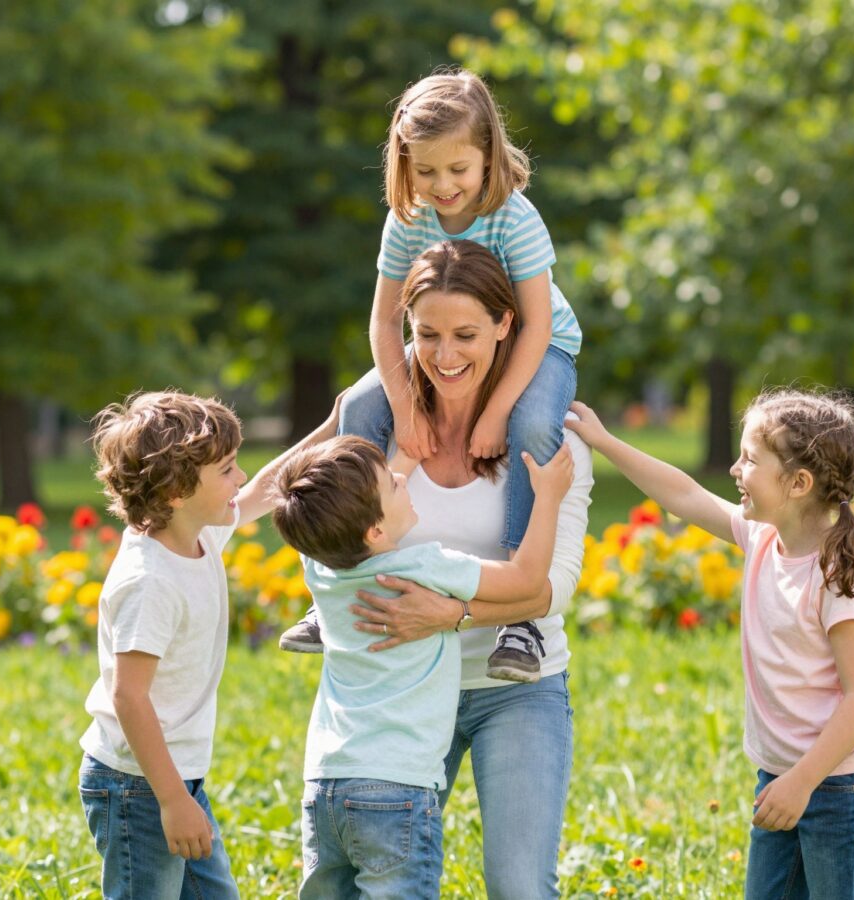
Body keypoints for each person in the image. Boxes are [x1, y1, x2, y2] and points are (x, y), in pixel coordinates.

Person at [281, 68, 581, 683]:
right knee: (358, 411)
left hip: (532, 344)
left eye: (458, 169)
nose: (443, 186)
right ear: (404, 164)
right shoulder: (406, 220)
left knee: (532, 428)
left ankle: (517, 621)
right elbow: (385, 325)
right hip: (439, 340)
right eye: (427, 171)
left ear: (488, 157)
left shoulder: (515, 218)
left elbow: (537, 327)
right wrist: (405, 405)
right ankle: (339, 581)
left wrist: (497, 410)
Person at [326, 240, 591, 899]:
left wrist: (456, 613)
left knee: (520, 886)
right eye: (427, 334)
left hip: (516, 691)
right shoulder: (374, 436)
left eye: (467, 334)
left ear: (507, 325)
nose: (446, 357)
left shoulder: (545, 438)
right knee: (358, 881)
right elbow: (315, 515)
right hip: (402, 691)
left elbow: (552, 588)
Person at [565, 389, 854, 899]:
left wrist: (802, 782)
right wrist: (605, 442)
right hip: (781, 778)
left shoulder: (837, 578)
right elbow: (684, 495)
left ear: (798, 483)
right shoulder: (762, 538)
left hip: (839, 786)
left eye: (750, 459)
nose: (736, 469)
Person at [270, 434, 572, 898]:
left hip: (325, 785)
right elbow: (527, 580)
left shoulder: (320, 570)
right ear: (374, 531)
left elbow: (357, 514)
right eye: (391, 483)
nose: (399, 474)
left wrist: (406, 455)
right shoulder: (421, 566)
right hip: (395, 790)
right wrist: (548, 495)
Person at [77, 389, 339, 899]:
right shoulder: (149, 579)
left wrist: (331, 424)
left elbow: (266, 488)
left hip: (177, 780)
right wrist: (172, 800)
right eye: (226, 470)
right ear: (176, 491)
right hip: (139, 787)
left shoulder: (195, 533)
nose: (240, 478)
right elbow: (129, 696)